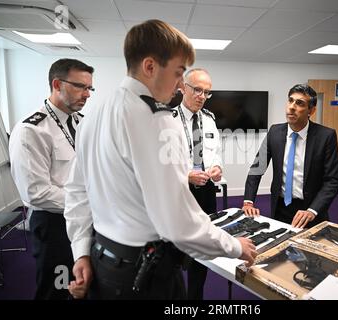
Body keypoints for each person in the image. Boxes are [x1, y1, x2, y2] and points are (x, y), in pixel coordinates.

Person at [64, 19, 257, 300]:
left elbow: (77, 190)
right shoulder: (157, 120)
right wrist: (234, 247)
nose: (181, 85)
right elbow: (177, 221)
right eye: (178, 73)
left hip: (102, 258)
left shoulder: (96, 111)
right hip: (145, 273)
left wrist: (81, 251)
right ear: (150, 66)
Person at [9, 58, 94, 299]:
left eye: (90, 88)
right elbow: (35, 193)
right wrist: (88, 201)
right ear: (57, 84)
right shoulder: (32, 130)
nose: (87, 94)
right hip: (53, 225)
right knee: (56, 291)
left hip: (83, 220)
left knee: (81, 287)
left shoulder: (82, 123)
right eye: (80, 86)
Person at [242, 84, 338, 229]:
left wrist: (312, 210)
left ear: (311, 110)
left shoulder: (326, 136)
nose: (292, 107)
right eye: (290, 100)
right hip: (280, 207)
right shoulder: (274, 132)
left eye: (299, 103)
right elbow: (257, 168)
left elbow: (333, 181)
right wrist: (248, 201)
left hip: (310, 210)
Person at [175, 68, 222, 300]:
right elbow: (158, 166)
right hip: (177, 194)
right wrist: (186, 175)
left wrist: (218, 169)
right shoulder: (166, 119)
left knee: (202, 250)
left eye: (207, 92)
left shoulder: (210, 120)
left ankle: (195, 298)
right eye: (198, 90)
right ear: (183, 87)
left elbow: (217, 155)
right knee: (174, 250)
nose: (202, 96)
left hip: (206, 194)